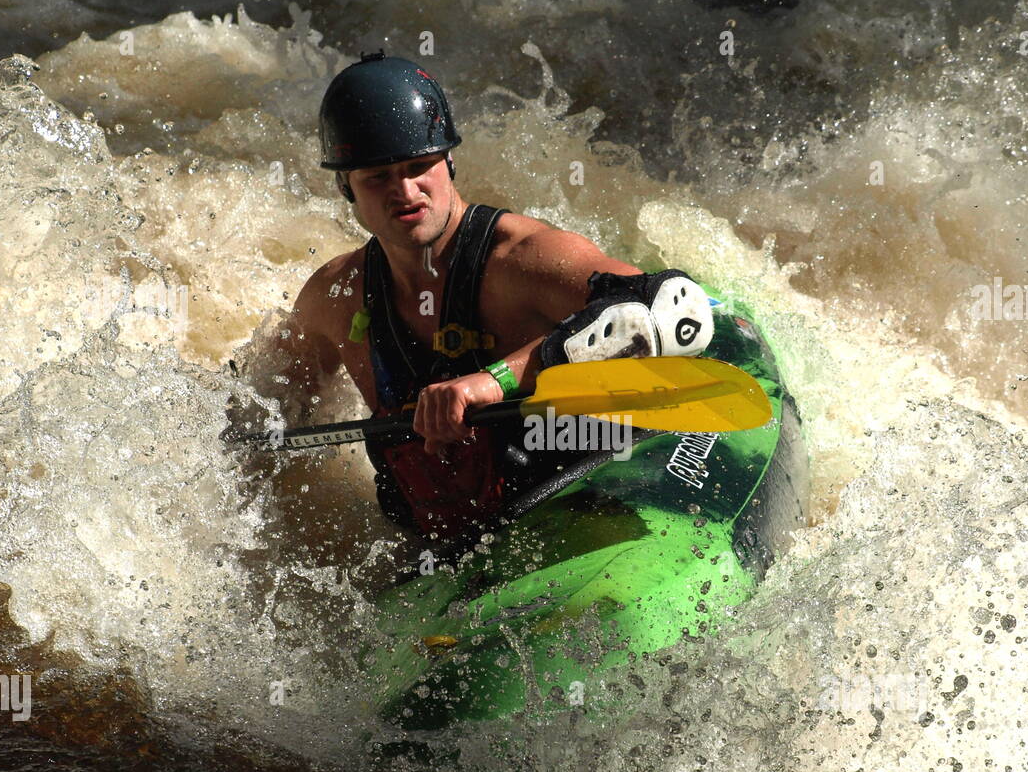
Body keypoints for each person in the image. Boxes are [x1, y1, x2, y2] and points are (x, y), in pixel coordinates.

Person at [273, 51, 714, 549]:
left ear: (450, 161)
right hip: (444, 553)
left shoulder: (520, 259)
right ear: (345, 187)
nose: (405, 191)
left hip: (573, 505)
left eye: (420, 166)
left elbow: (670, 308)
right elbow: (270, 406)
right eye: (377, 177)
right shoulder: (334, 298)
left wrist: (492, 381)